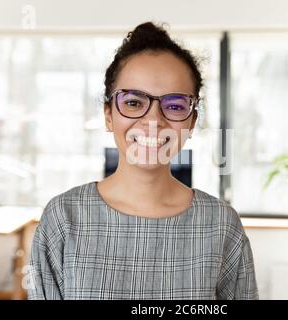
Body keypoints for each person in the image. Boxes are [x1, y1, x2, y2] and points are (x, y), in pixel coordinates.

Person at [28, 22, 258, 300]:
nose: (153, 121)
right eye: (134, 102)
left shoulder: (221, 225)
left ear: (192, 121)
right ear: (109, 115)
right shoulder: (64, 218)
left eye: (174, 106)